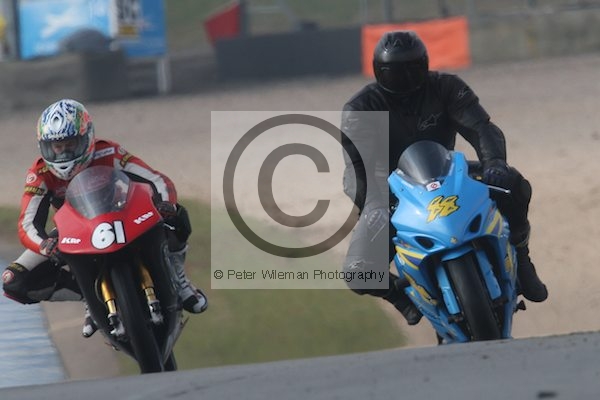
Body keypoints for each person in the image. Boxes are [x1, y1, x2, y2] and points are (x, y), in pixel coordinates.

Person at [340, 30, 548, 326]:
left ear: (425, 64)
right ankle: (400, 297)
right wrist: (375, 202)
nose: (406, 79)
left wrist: (495, 163)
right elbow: (356, 169)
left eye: (412, 69)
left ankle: (522, 258)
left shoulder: (447, 87)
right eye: (395, 72)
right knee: (358, 272)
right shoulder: (360, 108)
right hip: (391, 192)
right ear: (378, 71)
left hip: (447, 173)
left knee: (514, 184)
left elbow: (481, 128)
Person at [1, 99, 208, 337]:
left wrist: (166, 204)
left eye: (70, 144)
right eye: (57, 147)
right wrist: (45, 245)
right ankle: (88, 296)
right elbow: (27, 223)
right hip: (74, 231)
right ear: (44, 146)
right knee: (12, 280)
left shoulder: (109, 151)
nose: (64, 152)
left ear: (87, 137)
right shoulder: (40, 173)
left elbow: (157, 180)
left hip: (123, 212)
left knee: (177, 215)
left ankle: (179, 279)